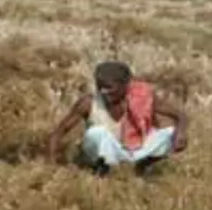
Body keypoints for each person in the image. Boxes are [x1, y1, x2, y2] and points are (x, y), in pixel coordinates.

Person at [48, 60, 188, 176]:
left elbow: (180, 116)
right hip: (100, 155)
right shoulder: (89, 103)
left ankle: (141, 167)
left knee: (170, 134)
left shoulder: (142, 98)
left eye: (109, 87)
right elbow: (58, 133)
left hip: (130, 151)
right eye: (100, 86)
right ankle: (101, 171)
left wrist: (180, 133)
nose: (103, 91)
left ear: (125, 86)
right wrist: (52, 167)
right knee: (96, 133)